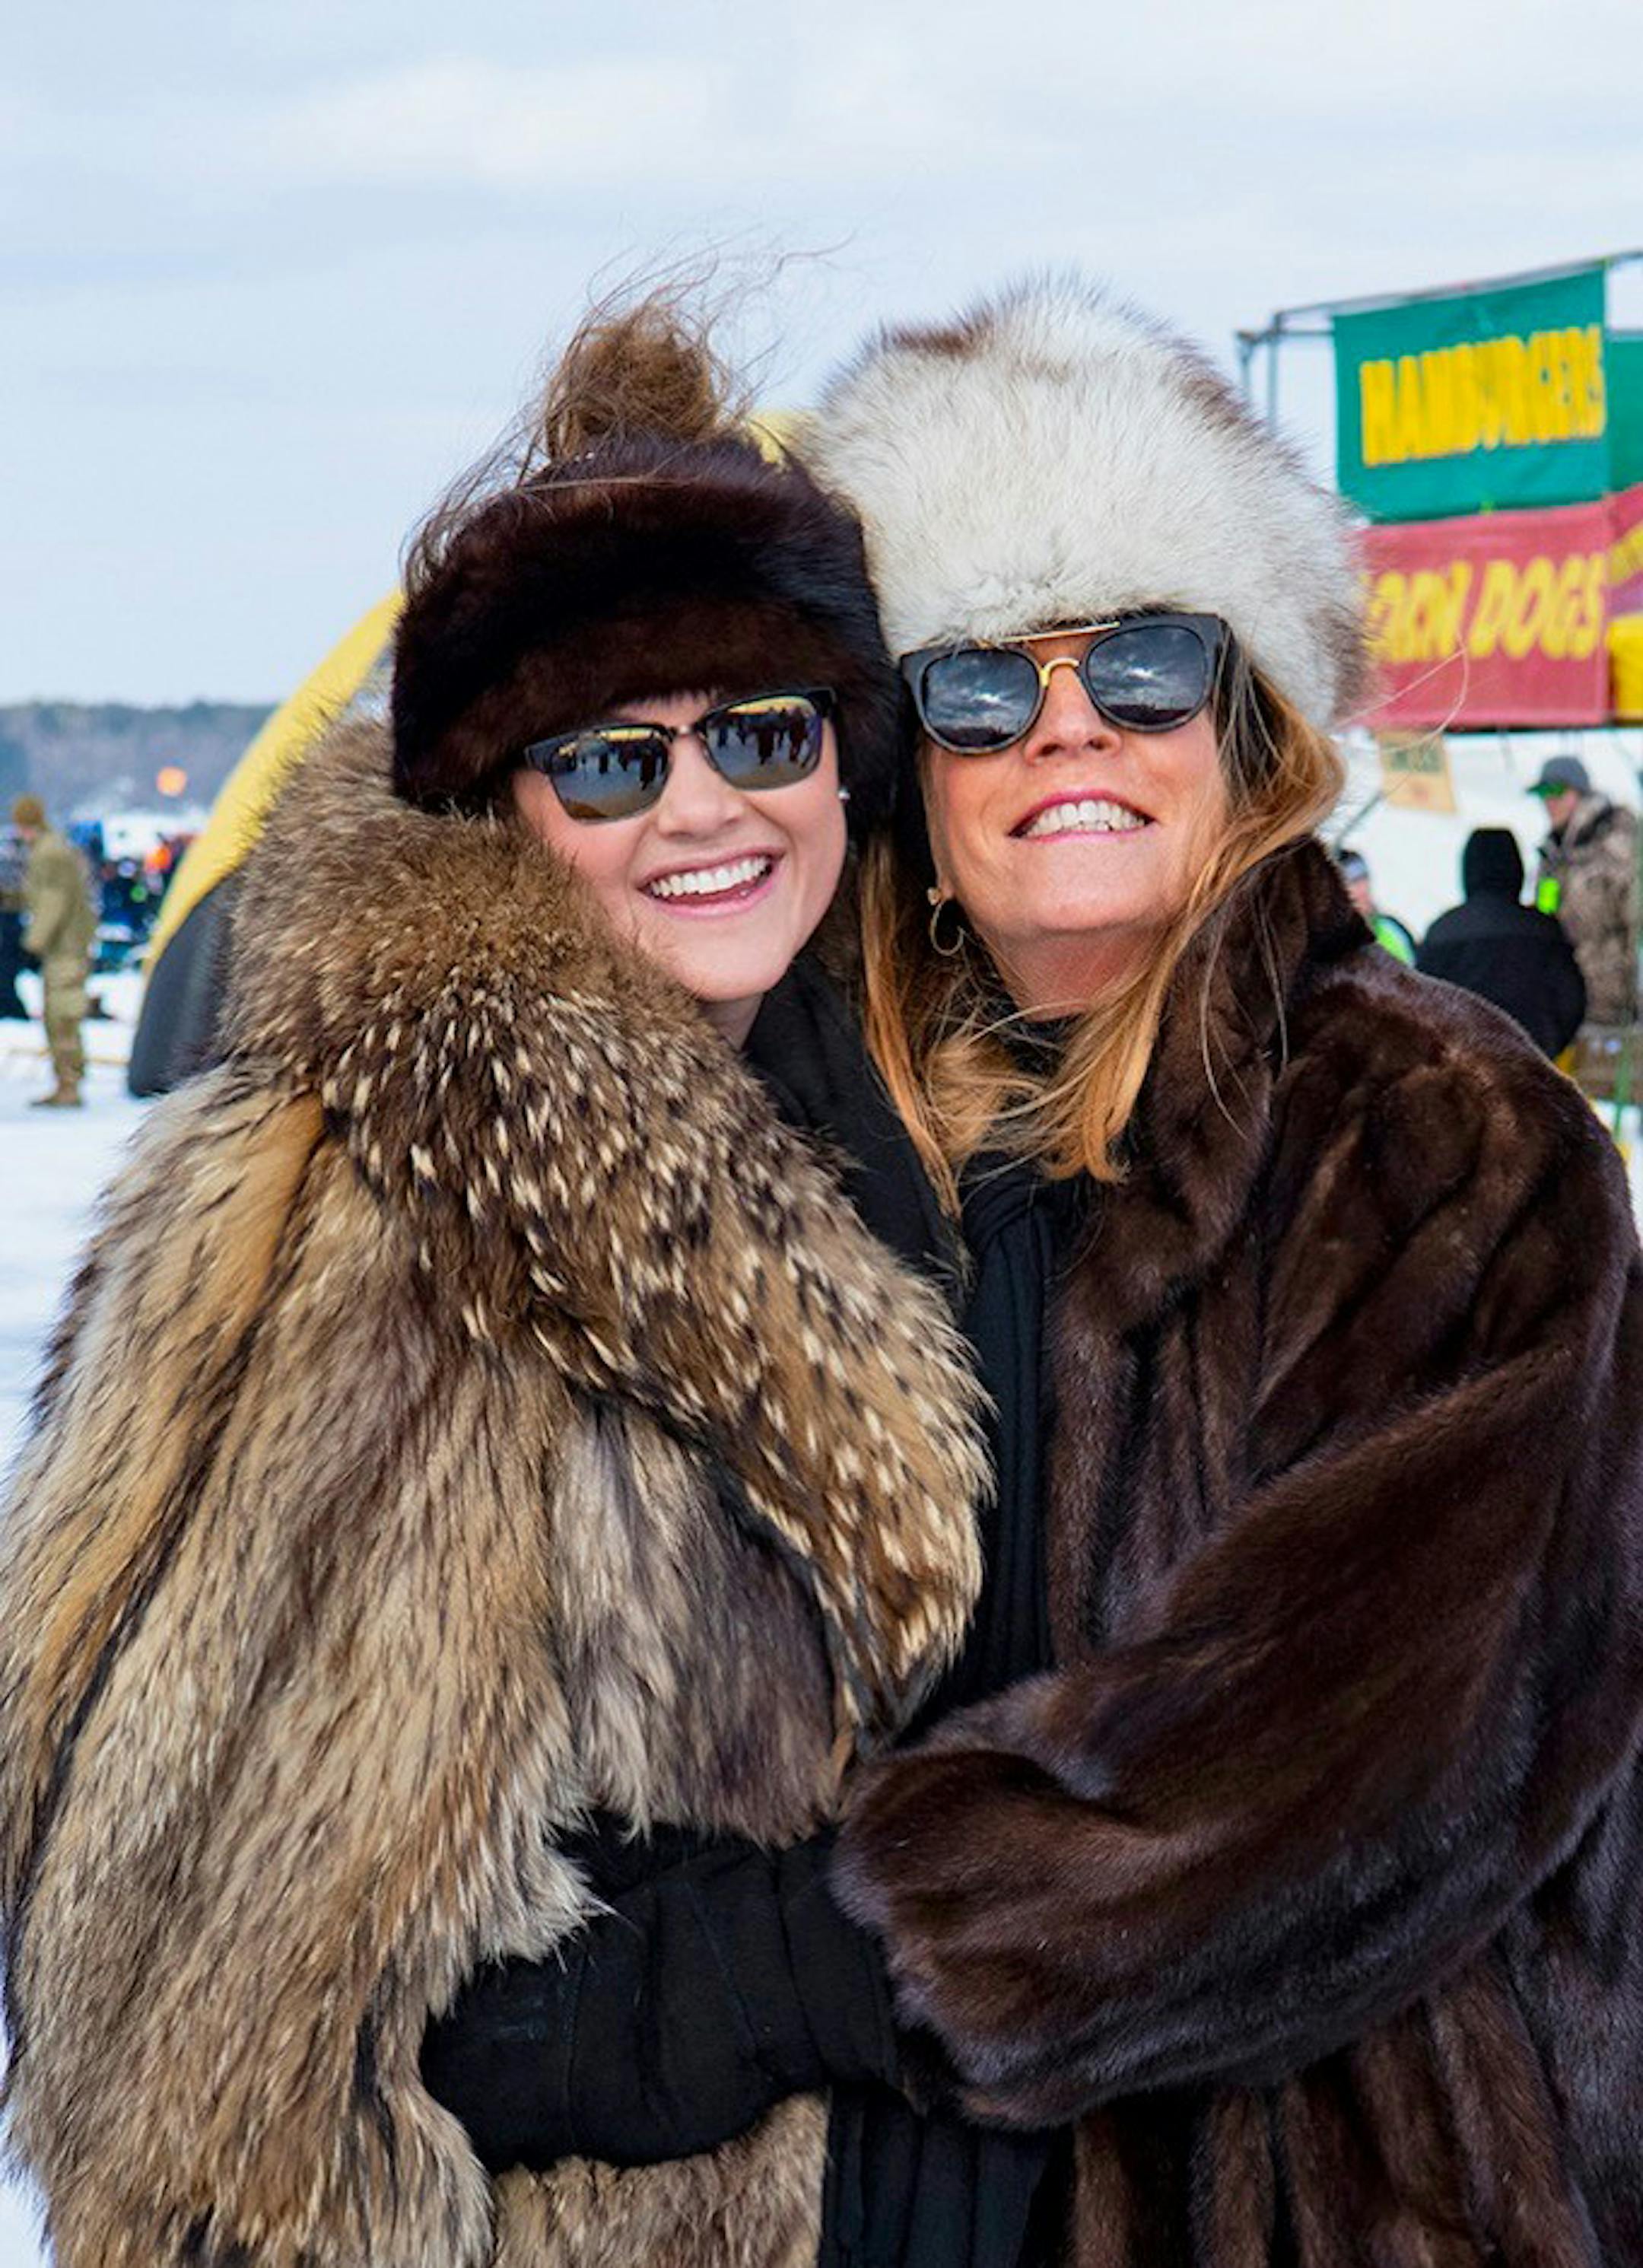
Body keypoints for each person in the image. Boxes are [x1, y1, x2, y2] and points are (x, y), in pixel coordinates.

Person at [425, 280, 1643, 2266]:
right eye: (983, 680)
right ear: (914, 762)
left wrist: (678, 1989)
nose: (1064, 721)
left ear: (1247, 729)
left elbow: (1313, 1789)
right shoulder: (814, 1157)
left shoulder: (1434, 1143)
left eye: (1145, 662)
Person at [0, 303, 990, 2268]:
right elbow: (206, 2033)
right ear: (504, 807)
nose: (705, 808)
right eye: (612, 760)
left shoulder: (915, 1126)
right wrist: (842, 1953)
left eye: (764, 735)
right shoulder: (389, 1208)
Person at [1417, 825, 1586, 1056]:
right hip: (1530, 1067)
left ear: (1468, 870)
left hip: (1462, 1071)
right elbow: (1571, 1000)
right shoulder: (1544, 930)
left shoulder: (1442, 932)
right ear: (1517, 869)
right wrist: (1547, 1047)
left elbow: (1419, 1007)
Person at [1530, 752, 1640, 1028]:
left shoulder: (1620, 845)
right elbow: (1547, 917)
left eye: (1556, 791)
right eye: (1543, 793)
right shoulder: (1552, 857)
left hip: (1618, 1011)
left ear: (1580, 792)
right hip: (1567, 1008)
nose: (1549, 802)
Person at [11, 790, 97, 1104]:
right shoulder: (47, 848)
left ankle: (70, 1084)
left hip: (66, 948)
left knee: (63, 1014)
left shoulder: (49, 853)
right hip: (62, 947)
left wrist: (33, 942)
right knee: (56, 1013)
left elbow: (53, 901)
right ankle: (65, 1082)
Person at [1335, 842, 1416, 962]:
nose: (1362, 889)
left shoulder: (1391, 927)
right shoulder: (1334, 949)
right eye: (1352, 882)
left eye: (1364, 877)